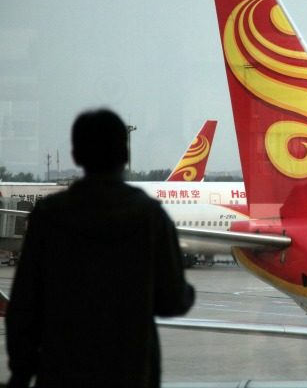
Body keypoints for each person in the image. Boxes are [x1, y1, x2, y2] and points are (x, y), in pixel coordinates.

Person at [5, 109, 195, 388]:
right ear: (125, 155)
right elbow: (173, 301)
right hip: (130, 371)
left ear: (77, 155)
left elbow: (23, 306)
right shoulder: (148, 215)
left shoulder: (49, 216)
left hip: (62, 371)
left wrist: (20, 373)